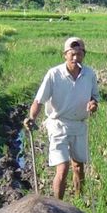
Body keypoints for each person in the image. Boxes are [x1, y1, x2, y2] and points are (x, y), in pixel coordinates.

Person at [24, 36, 100, 199]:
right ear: (64, 55)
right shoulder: (54, 74)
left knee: (78, 167)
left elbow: (95, 98)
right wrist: (32, 117)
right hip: (58, 124)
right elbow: (39, 100)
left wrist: (93, 105)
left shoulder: (89, 74)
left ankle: (80, 200)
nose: (75, 58)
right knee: (63, 167)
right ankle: (58, 205)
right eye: (72, 54)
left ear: (83, 55)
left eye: (79, 54)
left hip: (79, 125)